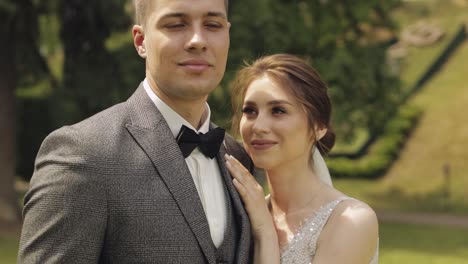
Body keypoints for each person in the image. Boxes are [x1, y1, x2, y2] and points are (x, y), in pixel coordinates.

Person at [18, 0, 255, 263]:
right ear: (141, 41)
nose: (198, 40)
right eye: (176, 24)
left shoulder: (237, 158)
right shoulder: (83, 155)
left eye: (213, 25)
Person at [225, 54, 379, 263]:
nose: (258, 126)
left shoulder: (352, 220)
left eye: (278, 110)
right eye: (250, 111)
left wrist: (265, 233)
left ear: (318, 127)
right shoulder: (242, 213)